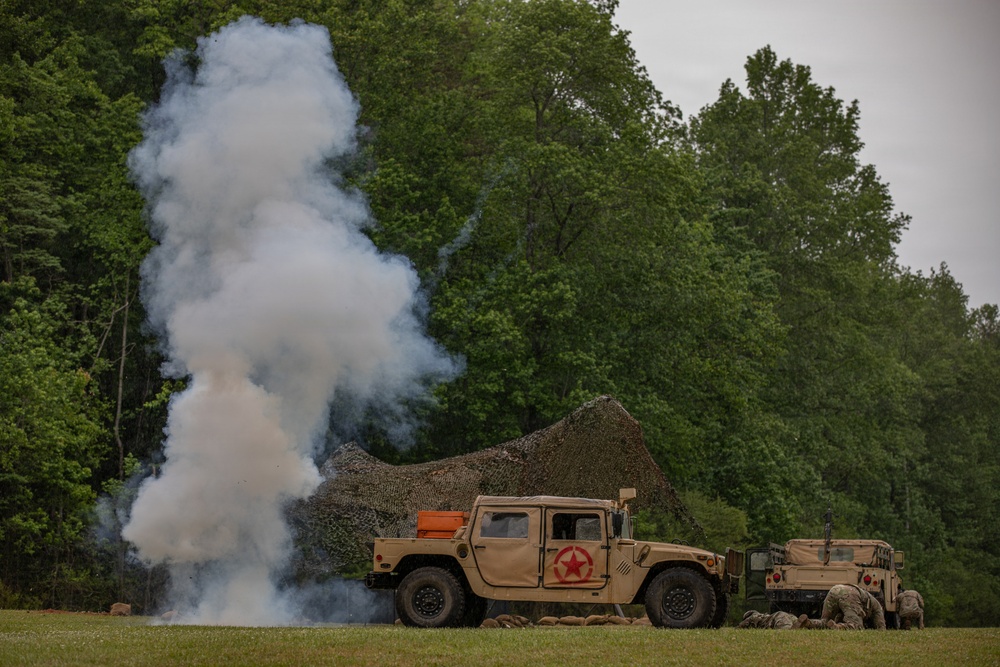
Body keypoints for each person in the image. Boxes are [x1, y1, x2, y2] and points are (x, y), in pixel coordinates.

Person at [820, 584, 886, 630]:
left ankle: (810, 624)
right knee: (857, 626)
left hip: (834, 590)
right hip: (848, 594)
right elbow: (881, 627)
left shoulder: (871, 601)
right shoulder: (878, 607)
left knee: (825, 622)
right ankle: (837, 627)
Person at [737, 609, 803, 629]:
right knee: (796, 621)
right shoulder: (764, 615)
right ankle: (810, 624)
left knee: (785, 628)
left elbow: (741, 625)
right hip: (787, 615)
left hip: (778, 617)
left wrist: (737, 628)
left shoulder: (753, 617)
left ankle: (792, 628)